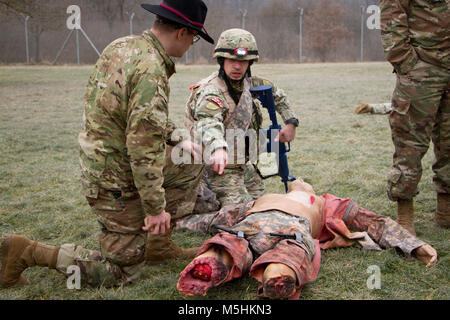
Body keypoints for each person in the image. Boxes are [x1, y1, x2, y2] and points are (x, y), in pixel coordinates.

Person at [0, 0, 214, 289]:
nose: (191, 44)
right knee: (123, 275)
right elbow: (143, 147)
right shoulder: (151, 69)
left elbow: (131, 114)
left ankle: (157, 246)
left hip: (107, 164)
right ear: (181, 33)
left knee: (189, 159)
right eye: (194, 37)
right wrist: (155, 209)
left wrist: (179, 136)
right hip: (113, 181)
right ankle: (26, 251)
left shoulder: (123, 46)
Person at [176, 178, 438, 300]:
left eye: (302, 180)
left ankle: (221, 260)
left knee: (236, 241)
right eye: (296, 181)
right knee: (284, 250)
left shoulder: (316, 202)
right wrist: (178, 223)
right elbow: (374, 223)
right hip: (276, 227)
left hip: (260, 226)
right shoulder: (315, 202)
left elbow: (218, 219)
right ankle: (272, 273)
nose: (298, 181)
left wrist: (414, 245)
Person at [184, 28, 300, 207]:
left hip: (242, 166)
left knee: (266, 204)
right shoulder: (211, 91)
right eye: (232, 60)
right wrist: (217, 148)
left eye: (243, 61)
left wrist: (291, 122)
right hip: (215, 168)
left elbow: (278, 95)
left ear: (250, 63)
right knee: (243, 212)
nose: (237, 66)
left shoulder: (250, 83)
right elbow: (208, 122)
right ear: (222, 60)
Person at [380, 0, 449, 235]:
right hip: (422, 68)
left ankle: (445, 211)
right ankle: (405, 214)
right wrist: (407, 64)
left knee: (449, 142)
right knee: (410, 143)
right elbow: (392, 17)